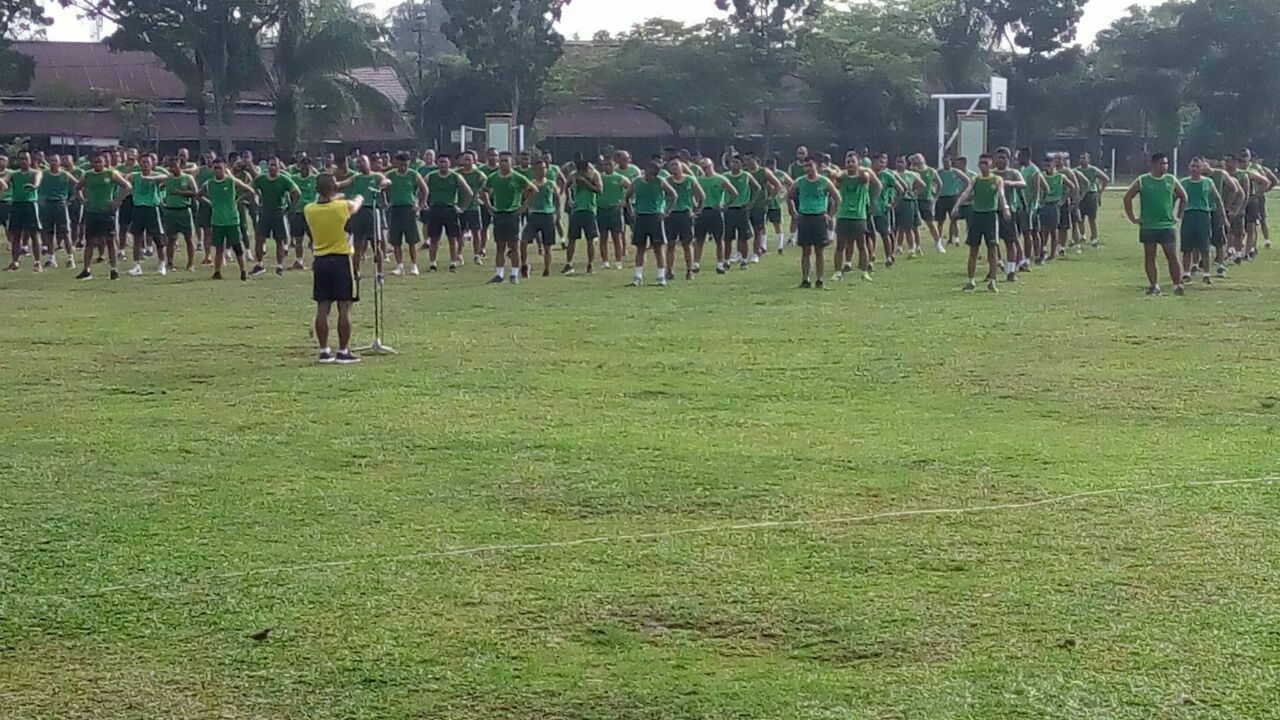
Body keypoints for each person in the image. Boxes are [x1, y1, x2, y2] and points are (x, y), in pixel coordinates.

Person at [305, 172, 362, 364]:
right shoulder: (343, 206)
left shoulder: (309, 209)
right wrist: (359, 196)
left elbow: (323, 201)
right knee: (344, 306)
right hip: (341, 259)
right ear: (335, 188)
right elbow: (355, 205)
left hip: (320, 260)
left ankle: (324, 350)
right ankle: (343, 350)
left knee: (323, 307)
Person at [1123, 153, 1188, 296]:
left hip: (1167, 225)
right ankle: (1154, 285)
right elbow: (1127, 197)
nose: (1164, 166)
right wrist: (1133, 217)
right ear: (1152, 165)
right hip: (1149, 226)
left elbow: (1184, 197)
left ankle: (1177, 284)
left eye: (1166, 163)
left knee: (1172, 256)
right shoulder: (1143, 180)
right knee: (1150, 256)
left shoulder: (1171, 180)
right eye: (1161, 164)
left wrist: (1178, 216)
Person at [951, 153, 1013, 292]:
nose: (983, 165)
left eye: (986, 162)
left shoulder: (997, 179)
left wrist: (1005, 209)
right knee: (973, 249)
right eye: (981, 163)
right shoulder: (976, 179)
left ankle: (992, 281)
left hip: (990, 216)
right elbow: (967, 193)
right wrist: (957, 205)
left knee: (992, 249)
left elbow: (1001, 195)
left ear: (991, 164)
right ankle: (971, 281)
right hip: (976, 216)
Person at [73, 153, 131, 280]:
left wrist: (117, 200)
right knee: (90, 241)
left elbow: (127, 186)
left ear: (105, 162)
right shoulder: (87, 175)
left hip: (106, 211)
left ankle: (113, 269)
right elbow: (77, 188)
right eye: (95, 162)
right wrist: (82, 200)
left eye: (100, 162)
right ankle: (86, 270)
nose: (97, 164)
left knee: (110, 240)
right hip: (91, 211)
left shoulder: (111, 174)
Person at [483, 151, 536, 285]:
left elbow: (533, 190)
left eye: (506, 161)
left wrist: (523, 207)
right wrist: (489, 206)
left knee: (514, 246)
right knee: (500, 245)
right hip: (499, 214)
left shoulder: (518, 177)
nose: (503, 163)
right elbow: (484, 190)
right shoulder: (494, 177)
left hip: (512, 214)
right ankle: (499, 274)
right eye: (501, 161)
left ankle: (514, 274)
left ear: (511, 162)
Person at [199, 158, 257, 281]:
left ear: (225, 168)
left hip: (232, 220)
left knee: (237, 247)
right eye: (215, 168)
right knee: (219, 248)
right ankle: (217, 271)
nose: (217, 170)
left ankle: (243, 271)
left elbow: (250, 191)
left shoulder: (231, 181)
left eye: (220, 168)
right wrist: (210, 203)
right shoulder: (209, 184)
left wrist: (238, 200)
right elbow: (198, 195)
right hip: (217, 221)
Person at [789, 157, 841, 288]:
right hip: (804, 217)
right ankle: (805, 279)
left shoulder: (824, 181)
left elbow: (837, 198)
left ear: (816, 166)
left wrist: (830, 215)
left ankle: (820, 279)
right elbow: (789, 196)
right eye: (805, 166)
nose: (807, 169)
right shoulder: (799, 182)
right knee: (805, 251)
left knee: (819, 251)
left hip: (819, 217)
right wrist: (793, 212)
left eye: (810, 166)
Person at [624, 160, 677, 286]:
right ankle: (637, 277)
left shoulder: (660, 181)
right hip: (641, 216)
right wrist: (631, 211)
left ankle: (661, 276)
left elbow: (673, 195)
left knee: (658, 248)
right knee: (640, 248)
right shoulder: (637, 182)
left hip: (655, 217)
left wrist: (666, 211)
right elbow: (627, 197)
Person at [336, 155, 388, 279]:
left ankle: (379, 273)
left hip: (372, 211)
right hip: (358, 213)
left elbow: (385, 181)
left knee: (376, 244)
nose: (360, 164)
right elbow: (342, 184)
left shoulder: (376, 176)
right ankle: (356, 272)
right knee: (357, 244)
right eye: (358, 163)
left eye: (362, 162)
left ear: (368, 162)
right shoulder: (356, 178)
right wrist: (331, 183)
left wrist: (384, 184)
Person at [1178, 157, 1226, 286]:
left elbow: (1217, 199)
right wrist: (1176, 214)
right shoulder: (1183, 182)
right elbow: (1175, 198)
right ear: (1189, 167)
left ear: (1202, 168)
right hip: (1188, 215)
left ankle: (1206, 274)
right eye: (1193, 166)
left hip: (1203, 215)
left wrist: (1223, 216)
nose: (1194, 169)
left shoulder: (1208, 182)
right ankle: (1186, 273)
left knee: (1204, 247)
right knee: (1187, 247)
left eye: (1197, 166)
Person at [832, 151, 881, 282]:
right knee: (840, 245)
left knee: (862, 245)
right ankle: (837, 272)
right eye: (848, 162)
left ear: (858, 163)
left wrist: (872, 200)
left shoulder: (864, 175)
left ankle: (864, 272)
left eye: (853, 161)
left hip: (859, 216)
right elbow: (836, 178)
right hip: (843, 215)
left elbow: (876, 184)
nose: (850, 164)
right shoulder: (842, 176)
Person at [251, 158, 301, 277]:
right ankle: (259, 264)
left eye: (275, 165)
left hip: (278, 213)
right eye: (270, 165)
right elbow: (251, 188)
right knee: (259, 238)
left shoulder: (284, 179)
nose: (272, 167)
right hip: (265, 213)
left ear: (279, 167)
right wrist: (255, 202)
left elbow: (296, 192)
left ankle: (279, 266)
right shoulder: (261, 179)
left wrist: (291, 207)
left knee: (279, 240)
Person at [423, 155, 473, 272]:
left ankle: (453, 262)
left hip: (450, 209)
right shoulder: (431, 176)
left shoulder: (455, 176)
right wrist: (423, 203)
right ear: (437, 163)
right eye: (440, 162)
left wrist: (462, 207)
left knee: (452, 238)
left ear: (449, 163)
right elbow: (421, 189)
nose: (442, 165)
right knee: (434, 238)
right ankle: (433, 263)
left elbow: (469, 192)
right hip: (435, 209)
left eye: (445, 162)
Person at [384, 152, 428, 277]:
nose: (403, 168)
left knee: (412, 240)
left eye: (406, 165)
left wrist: (420, 205)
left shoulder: (413, 174)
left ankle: (414, 265)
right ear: (396, 163)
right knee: (396, 240)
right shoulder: (390, 175)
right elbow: (382, 187)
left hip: (409, 209)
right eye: (401, 165)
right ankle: (399, 266)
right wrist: (386, 201)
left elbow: (424, 189)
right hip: (395, 209)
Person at [663, 157, 706, 280]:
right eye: (671, 165)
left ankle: (689, 270)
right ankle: (669, 270)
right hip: (671, 215)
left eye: (676, 164)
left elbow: (702, 196)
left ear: (681, 166)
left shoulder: (689, 180)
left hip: (685, 214)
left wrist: (697, 211)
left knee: (687, 244)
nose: (674, 167)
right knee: (670, 244)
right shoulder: (667, 181)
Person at [694, 158, 736, 275]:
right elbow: (693, 194)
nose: (704, 169)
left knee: (719, 239)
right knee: (699, 239)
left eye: (706, 167)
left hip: (715, 211)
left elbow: (733, 192)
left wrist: (725, 206)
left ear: (711, 166)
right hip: (703, 211)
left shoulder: (720, 179)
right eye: (702, 167)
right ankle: (696, 264)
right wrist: (696, 206)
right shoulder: (699, 180)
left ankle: (719, 264)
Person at [564, 153, 603, 274]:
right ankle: (569, 263)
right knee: (571, 239)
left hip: (589, 209)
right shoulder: (573, 175)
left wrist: (586, 182)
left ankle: (590, 264)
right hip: (576, 210)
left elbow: (599, 190)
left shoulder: (594, 174)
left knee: (590, 239)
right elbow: (566, 187)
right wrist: (569, 199)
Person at [993, 147, 1027, 282]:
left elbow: (1023, 183)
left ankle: (1011, 271)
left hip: (1008, 210)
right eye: (999, 157)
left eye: (1004, 157)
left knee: (1010, 241)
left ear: (1009, 159)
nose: (1001, 160)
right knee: (993, 242)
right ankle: (995, 267)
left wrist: (1010, 183)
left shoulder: (1013, 172)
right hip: (993, 209)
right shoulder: (991, 173)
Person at [520, 160, 560, 277]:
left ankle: (547, 269)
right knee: (524, 241)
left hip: (548, 215)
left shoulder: (550, 184)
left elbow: (557, 198)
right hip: (534, 215)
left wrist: (557, 213)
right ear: (534, 170)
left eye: (544, 168)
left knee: (547, 245)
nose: (542, 170)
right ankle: (524, 265)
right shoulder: (530, 184)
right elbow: (524, 197)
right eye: (539, 168)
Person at [160, 155, 199, 272]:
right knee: (170, 239)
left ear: (180, 165)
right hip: (171, 211)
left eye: (175, 166)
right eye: (170, 167)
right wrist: (162, 202)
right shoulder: (167, 179)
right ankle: (170, 262)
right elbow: (159, 188)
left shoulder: (187, 178)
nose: (173, 169)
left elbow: (195, 192)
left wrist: (180, 192)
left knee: (189, 239)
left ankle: (191, 263)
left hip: (184, 210)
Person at [37, 154, 76, 269]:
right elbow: (37, 185)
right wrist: (40, 199)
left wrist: (71, 199)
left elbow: (78, 185)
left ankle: (70, 258)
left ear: (60, 162)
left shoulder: (65, 174)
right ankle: (51, 258)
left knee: (65, 232)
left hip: (60, 204)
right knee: (48, 232)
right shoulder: (44, 174)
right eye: (51, 160)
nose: (53, 162)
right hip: (47, 204)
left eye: (55, 160)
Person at [6, 152, 43, 272]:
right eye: (21, 159)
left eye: (25, 159)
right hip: (17, 205)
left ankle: (37, 263)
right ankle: (15, 262)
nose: (23, 161)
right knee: (16, 235)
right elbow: (5, 182)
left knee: (34, 234)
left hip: (30, 204)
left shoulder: (35, 172)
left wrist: (34, 186)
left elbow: (37, 181)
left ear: (30, 160)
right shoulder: (13, 174)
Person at [723, 155, 762, 269]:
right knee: (728, 237)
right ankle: (726, 260)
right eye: (732, 162)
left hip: (742, 209)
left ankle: (744, 260)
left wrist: (751, 202)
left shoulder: (746, 175)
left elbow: (758, 187)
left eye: (737, 162)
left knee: (743, 237)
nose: (734, 164)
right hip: (729, 209)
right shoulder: (725, 176)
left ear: (741, 165)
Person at [871, 152, 906, 268]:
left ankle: (888, 256)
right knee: (869, 235)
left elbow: (901, 189)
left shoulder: (887, 175)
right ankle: (870, 256)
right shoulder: (867, 174)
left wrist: (893, 204)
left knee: (885, 234)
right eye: (878, 162)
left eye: (882, 162)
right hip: (868, 210)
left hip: (882, 209)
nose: (880, 165)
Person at [595, 156, 630, 270]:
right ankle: (605, 261)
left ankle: (618, 261)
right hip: (602, 209)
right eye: (605, 164)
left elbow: (631, 188)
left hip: (615, 211)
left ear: (613, 165)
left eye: (609, 164)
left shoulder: (619, 178)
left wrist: (624, 201)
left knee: (617, 237)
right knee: (603, 237)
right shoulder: (599, 177)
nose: (607, 167)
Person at [286, 157, 319, 270]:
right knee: (298, 238)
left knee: (314, 239)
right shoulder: (293, 178)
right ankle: (299, 261)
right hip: (298, 212)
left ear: (311, 167)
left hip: (311, 212)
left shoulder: (315, 179)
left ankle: (316, 261)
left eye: (307, 167)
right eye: (303, 167)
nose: (305, 170)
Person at [456, 151, 488, 265]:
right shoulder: (457, 174)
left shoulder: (479, 175)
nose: (467, 162)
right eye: (465, 159)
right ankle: (459, 255)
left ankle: (477, 255)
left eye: (469, 159)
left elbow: (486, 187)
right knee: (459, 233)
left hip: (474, 207)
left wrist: (481, 198)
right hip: (461, 206)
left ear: (474, 160)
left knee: (476, 232)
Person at [893, 154, 925, 258]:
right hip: (895, 201)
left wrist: (915, 193)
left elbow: (922, 185)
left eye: (901, 162)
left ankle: (912, 249)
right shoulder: (892, 173)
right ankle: (897, 247)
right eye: (897, 161)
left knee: (908, 227)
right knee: (896, 227)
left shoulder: (911, 174)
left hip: (907, 201)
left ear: (906, 163)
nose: (899, 164)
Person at [1076, 152, 1110, 247]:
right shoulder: (1076, 170)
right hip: (1080, 195)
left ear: (1088, 160)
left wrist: (1100, 192)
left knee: (1092, 218)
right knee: (1080, 218)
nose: (1082, 160)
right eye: (1081, 158)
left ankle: (1094, 238)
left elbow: (1106, 179)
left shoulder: (1093, 170)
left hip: (1091, 194)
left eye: (1084, 158)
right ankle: (1083, 235)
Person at [912, 154, 943, 253]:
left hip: (926, 199)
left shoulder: (930, 171)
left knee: (930, 223)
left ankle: (938, 243)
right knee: (914, 225)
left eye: (919, 158)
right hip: (915, 199)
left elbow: (939, 183)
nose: (917, 161)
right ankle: (917, 246)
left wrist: (936, 196)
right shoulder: (913, 172)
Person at [935, 155, 967, 247]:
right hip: (941, 198)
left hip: (952, 197)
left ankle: (956, 239)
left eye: (947, 161)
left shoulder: (955, 172)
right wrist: (934, 192)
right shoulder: (939, 172)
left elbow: (967, 181)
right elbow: (933, 181)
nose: (946, 163)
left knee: (954, 219)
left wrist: (960, 193)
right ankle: (939, 240)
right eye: (944, 162)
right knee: (940, 221)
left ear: (950, 162)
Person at [765, 158, 792, 254]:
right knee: (763, 225)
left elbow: (792, 184)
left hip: (776, 204)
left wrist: (784, 197)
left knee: (777, 224)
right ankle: (763, 246)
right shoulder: (765, 174)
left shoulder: (781, 174)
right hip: (765, 203)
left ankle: (780, 247)